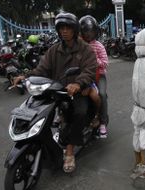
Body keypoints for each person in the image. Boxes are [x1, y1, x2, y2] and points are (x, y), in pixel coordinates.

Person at [12, 12, 98, 173]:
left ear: (74, 30)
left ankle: (70, 151)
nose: (64, 31)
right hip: (55, 90)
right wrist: (26, 76)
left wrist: (78, 83)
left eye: (68, 28)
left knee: (79, 113)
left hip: (77, 92)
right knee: (39, 112)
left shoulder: (85, 49)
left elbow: (90, 69)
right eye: (61, 28)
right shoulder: (53, 50)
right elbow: (42, 69)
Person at [79, 15, 109, 138]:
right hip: (83, 76)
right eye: (86, 32)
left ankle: (103, 122)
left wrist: (94, 60)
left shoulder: (98, 45)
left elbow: (105, 62)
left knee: (101, 94)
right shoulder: (79, 45)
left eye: (91, 31)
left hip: (99, 76)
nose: (89, 34)